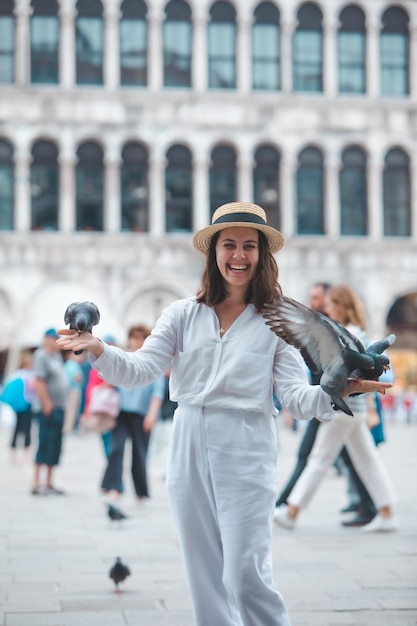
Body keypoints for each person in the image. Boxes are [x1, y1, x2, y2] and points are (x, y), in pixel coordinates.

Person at [57, 202, 390, 626]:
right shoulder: (181, 314)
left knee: (245, 574)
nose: (239, 255)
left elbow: (293, 397)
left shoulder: (276, 323)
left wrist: (334, 391)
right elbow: (141, 370)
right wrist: (99, 348)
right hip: (187, 439)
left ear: (262, 255)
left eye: (249, 246)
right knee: (203, 576)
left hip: (247, 444)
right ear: (213, 252)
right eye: (229, 245)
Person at [274, 285, 398, 534]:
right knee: (367, 460)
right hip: (356, 410)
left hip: (345, 409)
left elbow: (364, 374)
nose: (327, 307)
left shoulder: (349, 334)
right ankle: (386, 512)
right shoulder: (358, 331)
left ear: (340, 305)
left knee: (319, 460)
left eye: (331, 303)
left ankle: (291, 511)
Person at [275, 282, 331, 508]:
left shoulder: (328, 328)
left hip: (328, 401)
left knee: (307, 456)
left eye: (316, 298)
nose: (312, 303)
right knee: (354, 459)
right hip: (321, 400)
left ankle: (285, 503)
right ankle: (369, 504)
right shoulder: (318, 326)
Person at [100, 324, 165, 502]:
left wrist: (152, 414)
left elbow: (157, 392)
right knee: (116, 449)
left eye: (141, 338)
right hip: (121, 412)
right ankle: (114, 487)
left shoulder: (154, 361)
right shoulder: (123, 358)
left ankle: (141, 492)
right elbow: (111, 382)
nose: (138, 341)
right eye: (134, 337)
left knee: (140, 453)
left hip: (142, 414)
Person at [31, 329, 69, 496]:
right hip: (48, 407)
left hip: (59, 407)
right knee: (44, 442)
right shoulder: (41, 356)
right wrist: (46, 403)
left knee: (55, 444)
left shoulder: (57, 357)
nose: (55, 342)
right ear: (46, 339)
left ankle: (49, 482)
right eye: (52, 339)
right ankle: (36, 482)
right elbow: (39, 381)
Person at [1, 349, 36, 462]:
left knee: (17, 428)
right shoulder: (31, 375)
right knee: (26, 429)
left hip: (18, 406)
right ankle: (26, 453)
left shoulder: (16, 374)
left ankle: (13, 453)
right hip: (28, 404)